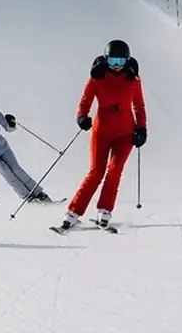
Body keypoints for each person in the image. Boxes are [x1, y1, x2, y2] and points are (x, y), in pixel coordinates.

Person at [55, 40, 147, 232]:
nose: (116, 65)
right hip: (102, 131)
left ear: (127, 60)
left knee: (115, 170)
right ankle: (73, 212)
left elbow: (139, 105)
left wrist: (141, 129)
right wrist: (82, 117)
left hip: (125, 133)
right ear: (106, 59)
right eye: (113, 61)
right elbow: (85, 100)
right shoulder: (97, 77)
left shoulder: (133, 78)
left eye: (121, 61)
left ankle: (104, 211)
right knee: (96, 172)